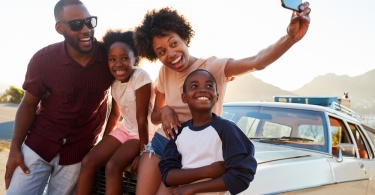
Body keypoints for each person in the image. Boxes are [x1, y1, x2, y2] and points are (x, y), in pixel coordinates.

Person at [134, 3, 311, 194]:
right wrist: (166, 111)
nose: (170, 54)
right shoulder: (164, 71)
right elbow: (154, 116)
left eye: (173, 43)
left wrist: (290, 38)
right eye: (161, 52)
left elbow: (257, 61)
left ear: (184, 38)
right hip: (161, 144)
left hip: (192, 153)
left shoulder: (212, 67)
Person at [4, 0, 114, 194]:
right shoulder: (43, 59)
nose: (86, 29)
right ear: (59, 28)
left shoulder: (109, 58)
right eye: (76, 24)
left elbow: (119, 105)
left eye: (89, 22)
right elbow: (28, 105)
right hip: (38, 144)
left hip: (78, 151)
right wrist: (14, 149)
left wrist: (102, 148)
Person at [75, 29, 156, 195]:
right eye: (112, 59)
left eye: (125, 58)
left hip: (142, 134)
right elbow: (115, 114)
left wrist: (143, 154)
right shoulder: (115, 82)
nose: (118, 64)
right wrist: (104, 143)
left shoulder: (141, 77)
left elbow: (142, 119)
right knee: (89, 161)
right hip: (125, 129)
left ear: (135, 58)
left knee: (112, 166)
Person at [159, 69, 257, 194]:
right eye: (194, 86)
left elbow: (242, 176)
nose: (202, 89)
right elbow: (167, 175)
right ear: (184, 97)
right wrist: (207, 171)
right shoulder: (179, 132)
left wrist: (193, 188)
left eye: (209, 86)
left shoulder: (227, 129)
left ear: (217, 96)